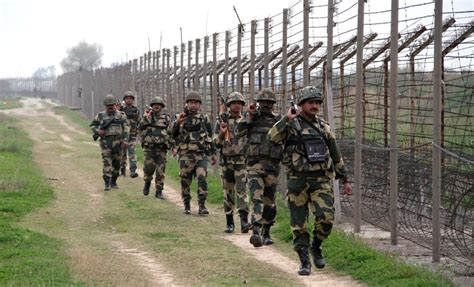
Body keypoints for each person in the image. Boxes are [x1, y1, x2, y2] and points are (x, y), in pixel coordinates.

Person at [268, 86, 352, 275]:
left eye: (317, 103)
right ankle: (304, 260)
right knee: (299, 223)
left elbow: (335, 153)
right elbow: (271, 137)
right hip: (297, 180)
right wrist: (286, 120)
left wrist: (345, 178)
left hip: (320, 180)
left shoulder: (323, 127)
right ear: (301, 104)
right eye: (310, 102)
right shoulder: (290, 124)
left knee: (326, 218)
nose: (314, 106)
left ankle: (316, 245)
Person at [236, 88, 283, 247]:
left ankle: (266, 231)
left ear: (273, 105)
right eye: (263, 102)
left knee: (269, 201)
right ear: (258, 103)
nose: (266, 105)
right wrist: (249, 116)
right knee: (256, 196)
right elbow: (239, 132)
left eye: (269, 103)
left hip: (272, 167)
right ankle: (255, 229)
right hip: (254, 165)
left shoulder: (278, 120)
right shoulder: (251, 119)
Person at [170, 91, 217, 215]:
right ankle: (187, 205)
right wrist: (177, 123)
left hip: (200, 155)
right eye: (191, 103)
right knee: (185, 181)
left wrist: (213, 154)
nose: (193, 105)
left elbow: (210, 136)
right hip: (185, 155)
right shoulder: (180, 117)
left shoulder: (204, 119)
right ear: (187, 103)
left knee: (202, 178)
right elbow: (171, 134)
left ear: (200, 105)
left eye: (196, 103)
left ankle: (202, 205)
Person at [213, 92, 249, 234]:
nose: (236, 105)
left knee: (242, 191)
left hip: (241, 162)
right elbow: (215, 143)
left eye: (239, 103)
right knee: (228, 192)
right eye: (234, 103)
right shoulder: (221, 121)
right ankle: (229, 222)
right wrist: (222, 133)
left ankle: (244, 221)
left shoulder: (245, 121)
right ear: (228, 105)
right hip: (226, 162)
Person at [90, 94, 130, 191]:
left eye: (111, 106)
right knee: (107, 163)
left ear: (115, 105)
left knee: (117, 164)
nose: (110, 108)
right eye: (108, 106)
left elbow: (126, 127)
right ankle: (107, 183)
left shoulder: (121, 115)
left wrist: (125, 139)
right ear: (105, 106)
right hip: (105, 143)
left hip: (118, 143)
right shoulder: (100, 115)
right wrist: (98, 131)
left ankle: (114, 181)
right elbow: (92, 125)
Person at [138, 96, 171, 199]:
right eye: (154, 104)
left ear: (162, 106)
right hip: (150, 148)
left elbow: (170, 132)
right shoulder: (147, 117)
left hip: (162, 149)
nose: (156, 106)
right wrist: (146, 117)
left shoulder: (166, 118)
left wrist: (172, 145)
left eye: (159, 105)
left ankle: (159, 191)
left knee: (161, 171)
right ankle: (147, 182)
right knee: (149, 169)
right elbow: (140, 128)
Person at [120, 91, 140, 178]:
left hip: (132, 135)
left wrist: (138, 132)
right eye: (127, 98)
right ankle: (122, 170)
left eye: (130, 98)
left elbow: (139, 122)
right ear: (124, 99)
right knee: (122, 153)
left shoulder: (136, 110)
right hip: (123, 135)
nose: (128, 100)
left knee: (132, 153)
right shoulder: (121, 110)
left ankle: (133, 171)